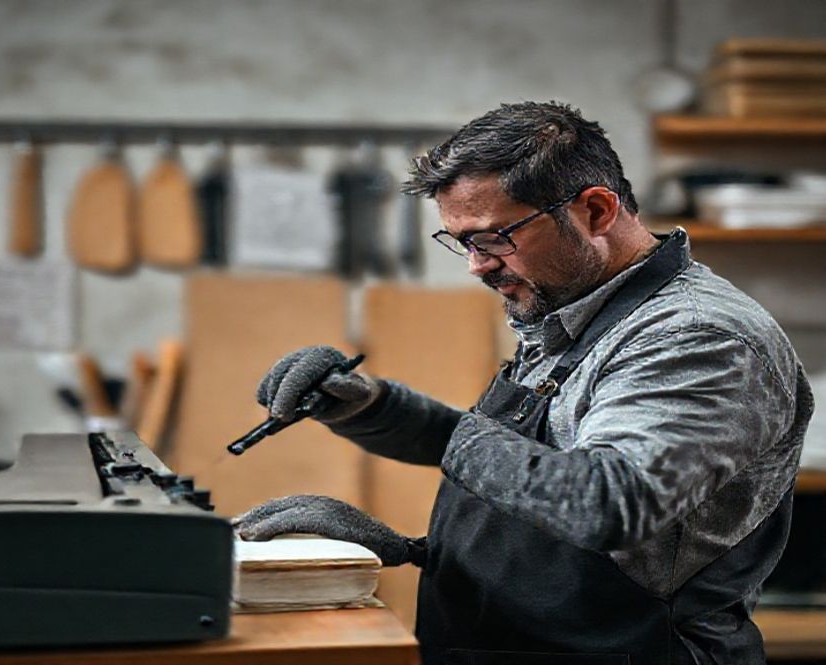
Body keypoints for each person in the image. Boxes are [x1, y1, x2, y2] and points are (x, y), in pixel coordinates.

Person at [232, 101, 814, 665]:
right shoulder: (571, 311)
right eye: (463, 242)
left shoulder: (695, 336)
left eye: (494, 238)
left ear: (595, 210)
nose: (477, 265)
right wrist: (374, 421)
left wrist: (428, 426)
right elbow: (542, 507)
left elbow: (609, 503)